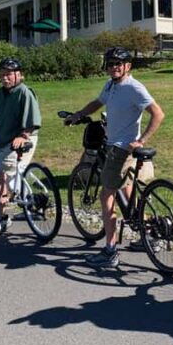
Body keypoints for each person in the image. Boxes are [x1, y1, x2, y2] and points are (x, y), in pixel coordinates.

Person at [66, 47, 165, 268]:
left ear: (128, 66)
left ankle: (110, 251)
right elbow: (98, 102)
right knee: (129, 198)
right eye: (110, 63)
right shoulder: (111, 85)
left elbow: (158, 113)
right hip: (114, 146)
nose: (113, 67)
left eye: (118, 64)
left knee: (105, 197)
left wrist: (142, 140)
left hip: (121, 150)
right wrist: (79, 114)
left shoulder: (134, 87)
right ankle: (149, 236)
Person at [0, 57, 42, 239]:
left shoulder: (24, 92)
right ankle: (10, 203)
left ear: (19, 75)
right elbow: (1, 110)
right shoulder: (2, 92)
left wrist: (23, 136)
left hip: (21, 139)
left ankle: (0, 218)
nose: (5, 78)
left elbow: (33, 120)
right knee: (5, 174)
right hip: (4, 140)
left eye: (8, 74)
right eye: (2, 75)